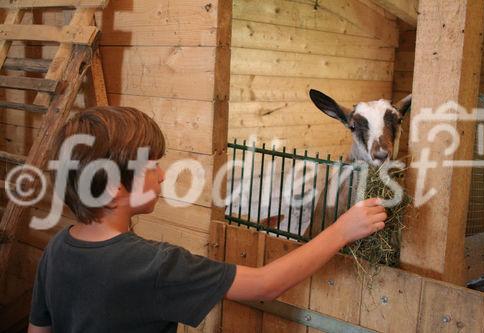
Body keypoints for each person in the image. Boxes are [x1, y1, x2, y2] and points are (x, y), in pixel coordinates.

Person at [28, 106, 387, 333]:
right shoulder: (154, 266)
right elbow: (264, 285)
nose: (163, 175)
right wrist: (342, 230)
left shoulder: (57, 249)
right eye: (152, 167)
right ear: (110, 189)